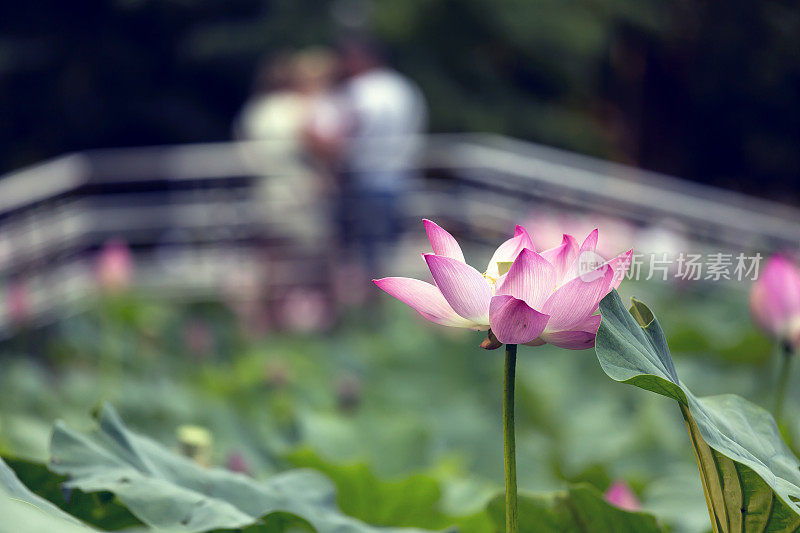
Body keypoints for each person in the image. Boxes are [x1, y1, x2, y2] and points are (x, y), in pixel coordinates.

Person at [313, 35, 427, 282]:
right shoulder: (405, 88)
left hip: (365, 179)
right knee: (388, 251)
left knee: (364, 255)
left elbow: (339, 135)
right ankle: (385, 305)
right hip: (400, 178)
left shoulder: (358, 91)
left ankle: (368, 307)